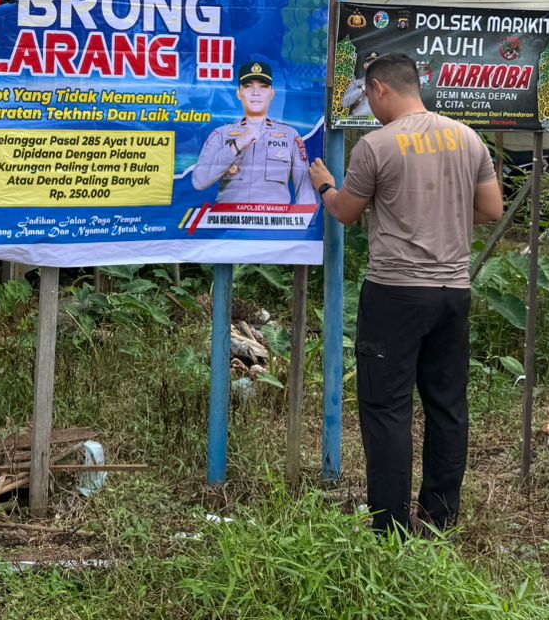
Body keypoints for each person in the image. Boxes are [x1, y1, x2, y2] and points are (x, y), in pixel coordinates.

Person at [308, 53, 503, 535]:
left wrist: (325, 186)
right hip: (452, 292)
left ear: (378, 89)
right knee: (447, 405)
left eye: (367, 99)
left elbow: (346, 212)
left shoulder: (376, 146)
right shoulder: (467, 137)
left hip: (395, 292)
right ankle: (439, 519)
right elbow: (492, 209)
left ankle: (390, 526)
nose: (368, 109)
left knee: (386, 408)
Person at [191, 60, 317, 205]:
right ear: (239, 93)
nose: (256, 93)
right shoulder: (221, 134)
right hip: (230, 224)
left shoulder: (290, 135)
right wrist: (236, 145)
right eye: (248, 87)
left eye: (263, 87)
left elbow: (305, 192)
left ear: (272, 93)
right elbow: (199, 181)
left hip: (274, 224)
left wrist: (305, 225)